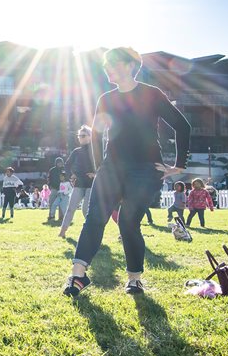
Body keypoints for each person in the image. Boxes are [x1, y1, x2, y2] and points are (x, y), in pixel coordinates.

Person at [63, 47, 190, 297]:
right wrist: (99, 168)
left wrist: (179, 165)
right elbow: (96, 136)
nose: (108, 69)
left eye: (113, 64)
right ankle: (78, 275)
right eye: (106, 65)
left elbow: (182, 126)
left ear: (131, 66)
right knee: (95, 217)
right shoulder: (105, 99)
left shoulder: (152, 94)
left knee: (128, 222)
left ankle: (135, 279)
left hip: (145, 170)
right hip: (111, 168)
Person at [59, 125, 96, 238]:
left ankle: (93, 233)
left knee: (86, 210)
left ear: (90, 136)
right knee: (70, 208)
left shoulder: (96, 150)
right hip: (79, 184)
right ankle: (62, 232)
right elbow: (67, 165)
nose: (80, 138)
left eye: (83, 136)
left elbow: (104, 165)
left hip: (91, 185)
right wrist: (71, 175)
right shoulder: (76, 151)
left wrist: (95, 174)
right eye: (79, 136)